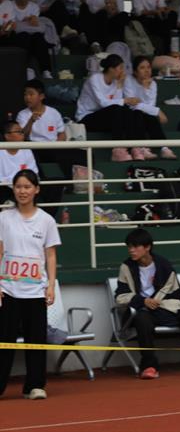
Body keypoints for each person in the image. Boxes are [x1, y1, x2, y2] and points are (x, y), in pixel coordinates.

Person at [115, 228, 180, 379]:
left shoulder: (164, 265)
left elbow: (177, 296)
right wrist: (143, 301)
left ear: (147, 247)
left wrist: (159, 304)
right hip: (143, 311)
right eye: (129, 247)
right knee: (142, 320)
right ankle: (149, 366)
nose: (131, 250)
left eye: (135, 246)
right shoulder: (126, 267)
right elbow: (120, 296)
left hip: (167, 310)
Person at [0, 169, 61, 400]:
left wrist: (51, 285)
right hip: (8, 290)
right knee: (4, 341)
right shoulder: (4, 218)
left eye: (27, 187)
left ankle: (35, 386)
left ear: (36, 190)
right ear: (13, 190)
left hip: (35, 291)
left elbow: (50, 255)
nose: (22, 191)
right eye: (18, 187)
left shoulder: (46, 220)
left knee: (36, 339)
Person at [75, 54, 145, 162]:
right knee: (118, 108)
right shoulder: (94, 79)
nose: (123, 71)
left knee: (127, 110)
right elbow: (103, 103)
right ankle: (117, 150)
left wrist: (120, 85)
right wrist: (126, 100)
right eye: (120, 68)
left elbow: (118, 103)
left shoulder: (116, 82)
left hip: (106, 117)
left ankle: (134, 147)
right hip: (86, 118)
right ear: (111, 69)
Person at [16, 79, 85, 182]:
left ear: (41, 96)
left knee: (82, 154)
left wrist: (57, 145)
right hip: (34, 148)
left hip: (53, 147)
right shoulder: (22, 114)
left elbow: (62, 134)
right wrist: (31, 121)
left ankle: (73, 181)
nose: (27, 98)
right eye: (25, 94)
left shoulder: (53, 112)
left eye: (31, 94)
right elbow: (22, 136)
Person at [124, 56, 177, 160]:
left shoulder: (153, 84)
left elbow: (150, 105)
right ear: (135, 71)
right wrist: (158, 111)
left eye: (148, 67)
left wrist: (146, 88)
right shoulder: (128, 80)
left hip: (145, 115)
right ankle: (143, 148)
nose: (147, 70)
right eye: (142, 68)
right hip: (129, 114)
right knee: (139, 113)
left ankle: (164, 148)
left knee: (150, 115)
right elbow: (132, 104)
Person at [0, 121, 39, 202]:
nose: (22, 133)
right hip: (5, 187)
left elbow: (33, 172)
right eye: (18, 131)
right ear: (7, 136)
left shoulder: (26, 150)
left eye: (22, 131)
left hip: (24, 185)